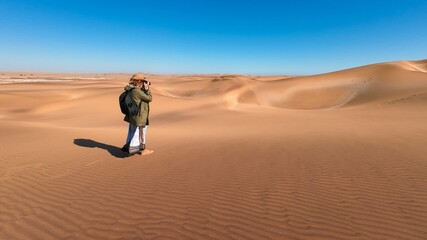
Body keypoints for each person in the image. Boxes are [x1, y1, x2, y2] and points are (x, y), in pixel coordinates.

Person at [121, 74, 152, 154]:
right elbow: (149, 98)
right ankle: (140, 149)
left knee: (132, 131)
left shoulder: (130, 89)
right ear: (138, 81)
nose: (144, 83)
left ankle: (127, 147)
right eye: (143, 81)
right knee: (141, 132)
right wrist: (147, 89)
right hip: (140, 116)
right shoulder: (136, 91)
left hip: (133, 115)